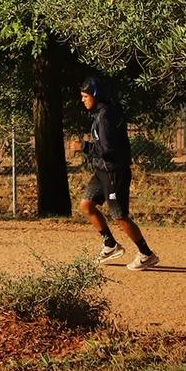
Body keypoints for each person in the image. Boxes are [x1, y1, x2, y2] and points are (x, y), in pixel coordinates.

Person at [78, 74, 160, 271]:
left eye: (85, 96)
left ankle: (146, 254)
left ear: (96, 95)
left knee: (119, 216)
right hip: (102, 170)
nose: (82, 100)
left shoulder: (105, 116)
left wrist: (84, 147)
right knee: (87, 205)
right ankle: (110, 244)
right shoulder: (100, 113)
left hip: (114, 172)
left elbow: (107, 149)